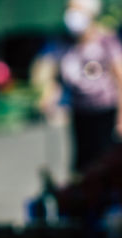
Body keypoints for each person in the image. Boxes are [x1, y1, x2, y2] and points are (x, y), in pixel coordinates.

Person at [33, 0, 122, 176]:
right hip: (80, 111)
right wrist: (48, 94)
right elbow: (52, 74)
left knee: (106, 161)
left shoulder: (106, 41)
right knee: (83, 163)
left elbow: (119, 77)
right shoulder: (63, 43)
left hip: (106, 112)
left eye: (76, 9)